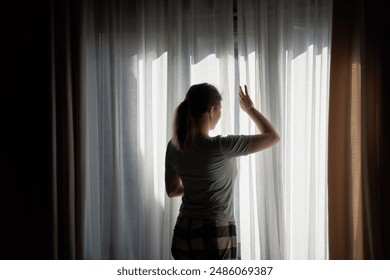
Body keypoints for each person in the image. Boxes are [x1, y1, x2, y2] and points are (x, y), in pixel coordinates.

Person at [165, 83, 280, 260]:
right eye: (220, 109)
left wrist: (197, 184)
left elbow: (172, 190)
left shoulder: (174, 145)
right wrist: (250, 109)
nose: (220, 114)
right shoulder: (221, 146)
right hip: (213, 230)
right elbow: (273, 137)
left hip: (183, 229)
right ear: (212, 110)